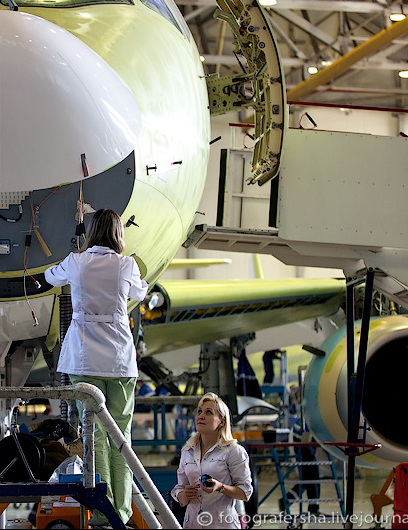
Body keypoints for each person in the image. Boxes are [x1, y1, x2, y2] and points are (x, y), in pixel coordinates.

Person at [44, 208, 148, 527]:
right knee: (122, 435)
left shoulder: (77, 262)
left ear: (90, 233)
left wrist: (75, 253)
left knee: (95, 436)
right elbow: (140, 293)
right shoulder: (126, 264)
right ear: (118, 233)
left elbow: (50, 276)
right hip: (119, 358)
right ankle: (124, 510)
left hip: (84, 358)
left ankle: (103, 510)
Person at [171, 393, 253, 529]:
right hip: (192, 524)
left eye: (208, 412)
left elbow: (245, 492)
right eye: (199, 412)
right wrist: (184, 495)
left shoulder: (233, 451)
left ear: (221, 421)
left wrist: (220, 487)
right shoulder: (187, 451)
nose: (201, 416)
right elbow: (179, 488)